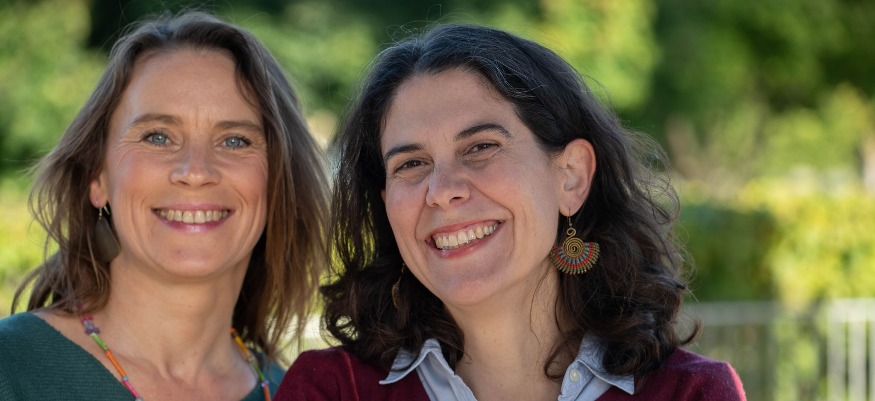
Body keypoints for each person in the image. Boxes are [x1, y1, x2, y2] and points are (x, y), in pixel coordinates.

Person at [276, 23, 746, 401]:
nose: (441, 191)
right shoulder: (332, 390)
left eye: (481, 147)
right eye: (411, 164)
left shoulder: (691, 393)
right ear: (386, 206)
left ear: (571, 177)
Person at [0, 11, 328, 401]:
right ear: (97, 178)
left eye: (235, 140)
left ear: (279, 184)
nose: (195, 171)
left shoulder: (296, 392)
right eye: (157, 136)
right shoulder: (12, 369)